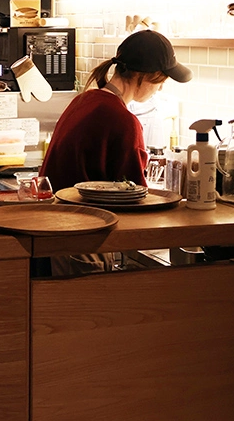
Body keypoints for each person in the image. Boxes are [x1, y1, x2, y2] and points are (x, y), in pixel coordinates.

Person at [38, 29, 192, 275]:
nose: (161, 88)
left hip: (49, 234)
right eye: (161, 80)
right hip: (79, 244)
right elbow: (135, 195)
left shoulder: (86, 99)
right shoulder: (123, 120)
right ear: (144, 76)